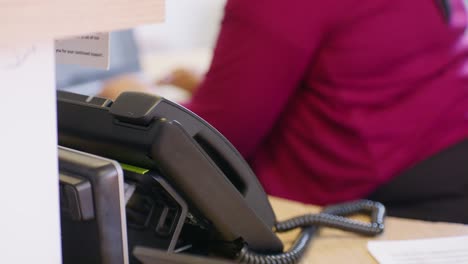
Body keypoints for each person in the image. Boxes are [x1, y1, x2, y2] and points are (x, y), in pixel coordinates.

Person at [101, 0, 468, 223]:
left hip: (397, 194)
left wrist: (131, 97)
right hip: (445, 152)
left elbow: (216, 142)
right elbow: (370, 65)